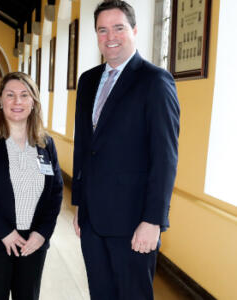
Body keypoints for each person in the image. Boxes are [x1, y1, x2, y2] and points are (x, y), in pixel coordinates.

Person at [72, 1, 180, 299]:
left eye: (118, 28)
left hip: (134, 222)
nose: (110, 37)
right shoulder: (88, 80)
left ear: (134, 30)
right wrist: (80, 204)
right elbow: (84, 146)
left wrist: (153, 220)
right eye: (102, 30)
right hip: (93, 220)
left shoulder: (155, 81)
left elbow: (165, 157)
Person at [0, 72, 63, 300]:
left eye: (24, 95)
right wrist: (5, 233)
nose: (17, 102)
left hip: (33, 241)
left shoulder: (45, 143)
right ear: (0, 100)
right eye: (10, 95)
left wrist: (42, 233)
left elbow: (56, 192)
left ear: (34, 102)